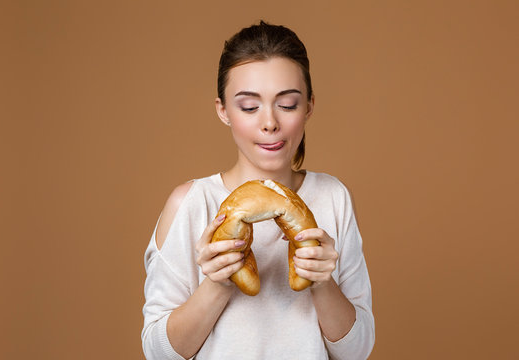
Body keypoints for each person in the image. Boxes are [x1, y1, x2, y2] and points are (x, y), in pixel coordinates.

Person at [141, 21, 375, 360]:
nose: (269, 122)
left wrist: (323, 284)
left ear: (309, 106)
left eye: (288, 104)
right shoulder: (192, 203)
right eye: (249, 106)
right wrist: (216, 284)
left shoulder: (332, 198)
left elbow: (357, 352)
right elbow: (158, 354)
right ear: (223, 110)